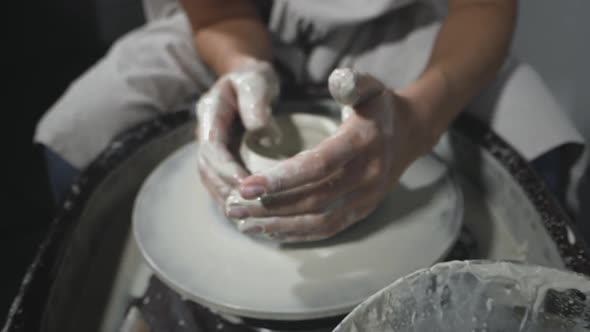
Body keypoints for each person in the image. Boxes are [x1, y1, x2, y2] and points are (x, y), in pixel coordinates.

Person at [35, 0, 587, 242]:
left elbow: (483, 9)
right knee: (80, 144)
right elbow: (221, 13)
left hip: (391, 26)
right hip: (238, 21)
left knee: (541, 165)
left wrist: (416, 120)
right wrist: (243, 68)